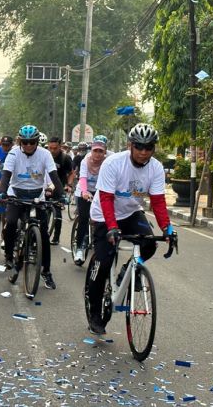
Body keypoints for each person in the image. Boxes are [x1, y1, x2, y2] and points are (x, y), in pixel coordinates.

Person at [86, 123, 174, 335]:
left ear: (154, 148)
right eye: (139, 147)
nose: (144, 152)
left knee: (150, 244)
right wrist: (112, 228)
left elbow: (158, 201)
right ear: (130, 145)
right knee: (104, 262)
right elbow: (106, 198)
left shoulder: (156, 168)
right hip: (104, 214)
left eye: (149, 148)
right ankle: (95, 313)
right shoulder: (114, 163)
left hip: (131, 212)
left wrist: (168, 229)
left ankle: (128, 270)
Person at [0, 125, 63, 289]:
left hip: (36, 195)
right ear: (20, 142)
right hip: (16, 193)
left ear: (36, 142)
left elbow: (54, 176)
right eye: (25, 142)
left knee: (43, 234)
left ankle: (46, 272)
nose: (28, 145)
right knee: (11, 222)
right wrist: (2, 192)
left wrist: (61, 195)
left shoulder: (45, 154)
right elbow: (6, 175)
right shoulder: (13, 153)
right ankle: (9, 255)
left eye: (32, 142)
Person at [73, 136, 108, 264]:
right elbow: (82, 178)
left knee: (102, 220)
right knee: (83, 218)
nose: (97, 154)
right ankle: (79, 248)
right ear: (91, 150)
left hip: (100, 192)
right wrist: (84, 191)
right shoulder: (85, 161)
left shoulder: (108, 161)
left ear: (105, 152)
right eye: (95, 151)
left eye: (101, 151)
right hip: (84, 191)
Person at [47, 137, 73, 245]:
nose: (52, 151)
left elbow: (71, 173)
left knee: (57, 212)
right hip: (45, 186)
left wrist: (69, 185)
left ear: (60, 147)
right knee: (43, 212)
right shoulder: (45, 156)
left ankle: (56, 237)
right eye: (50, 148)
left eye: (55, 148)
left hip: (59, 188)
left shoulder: (65, 158)